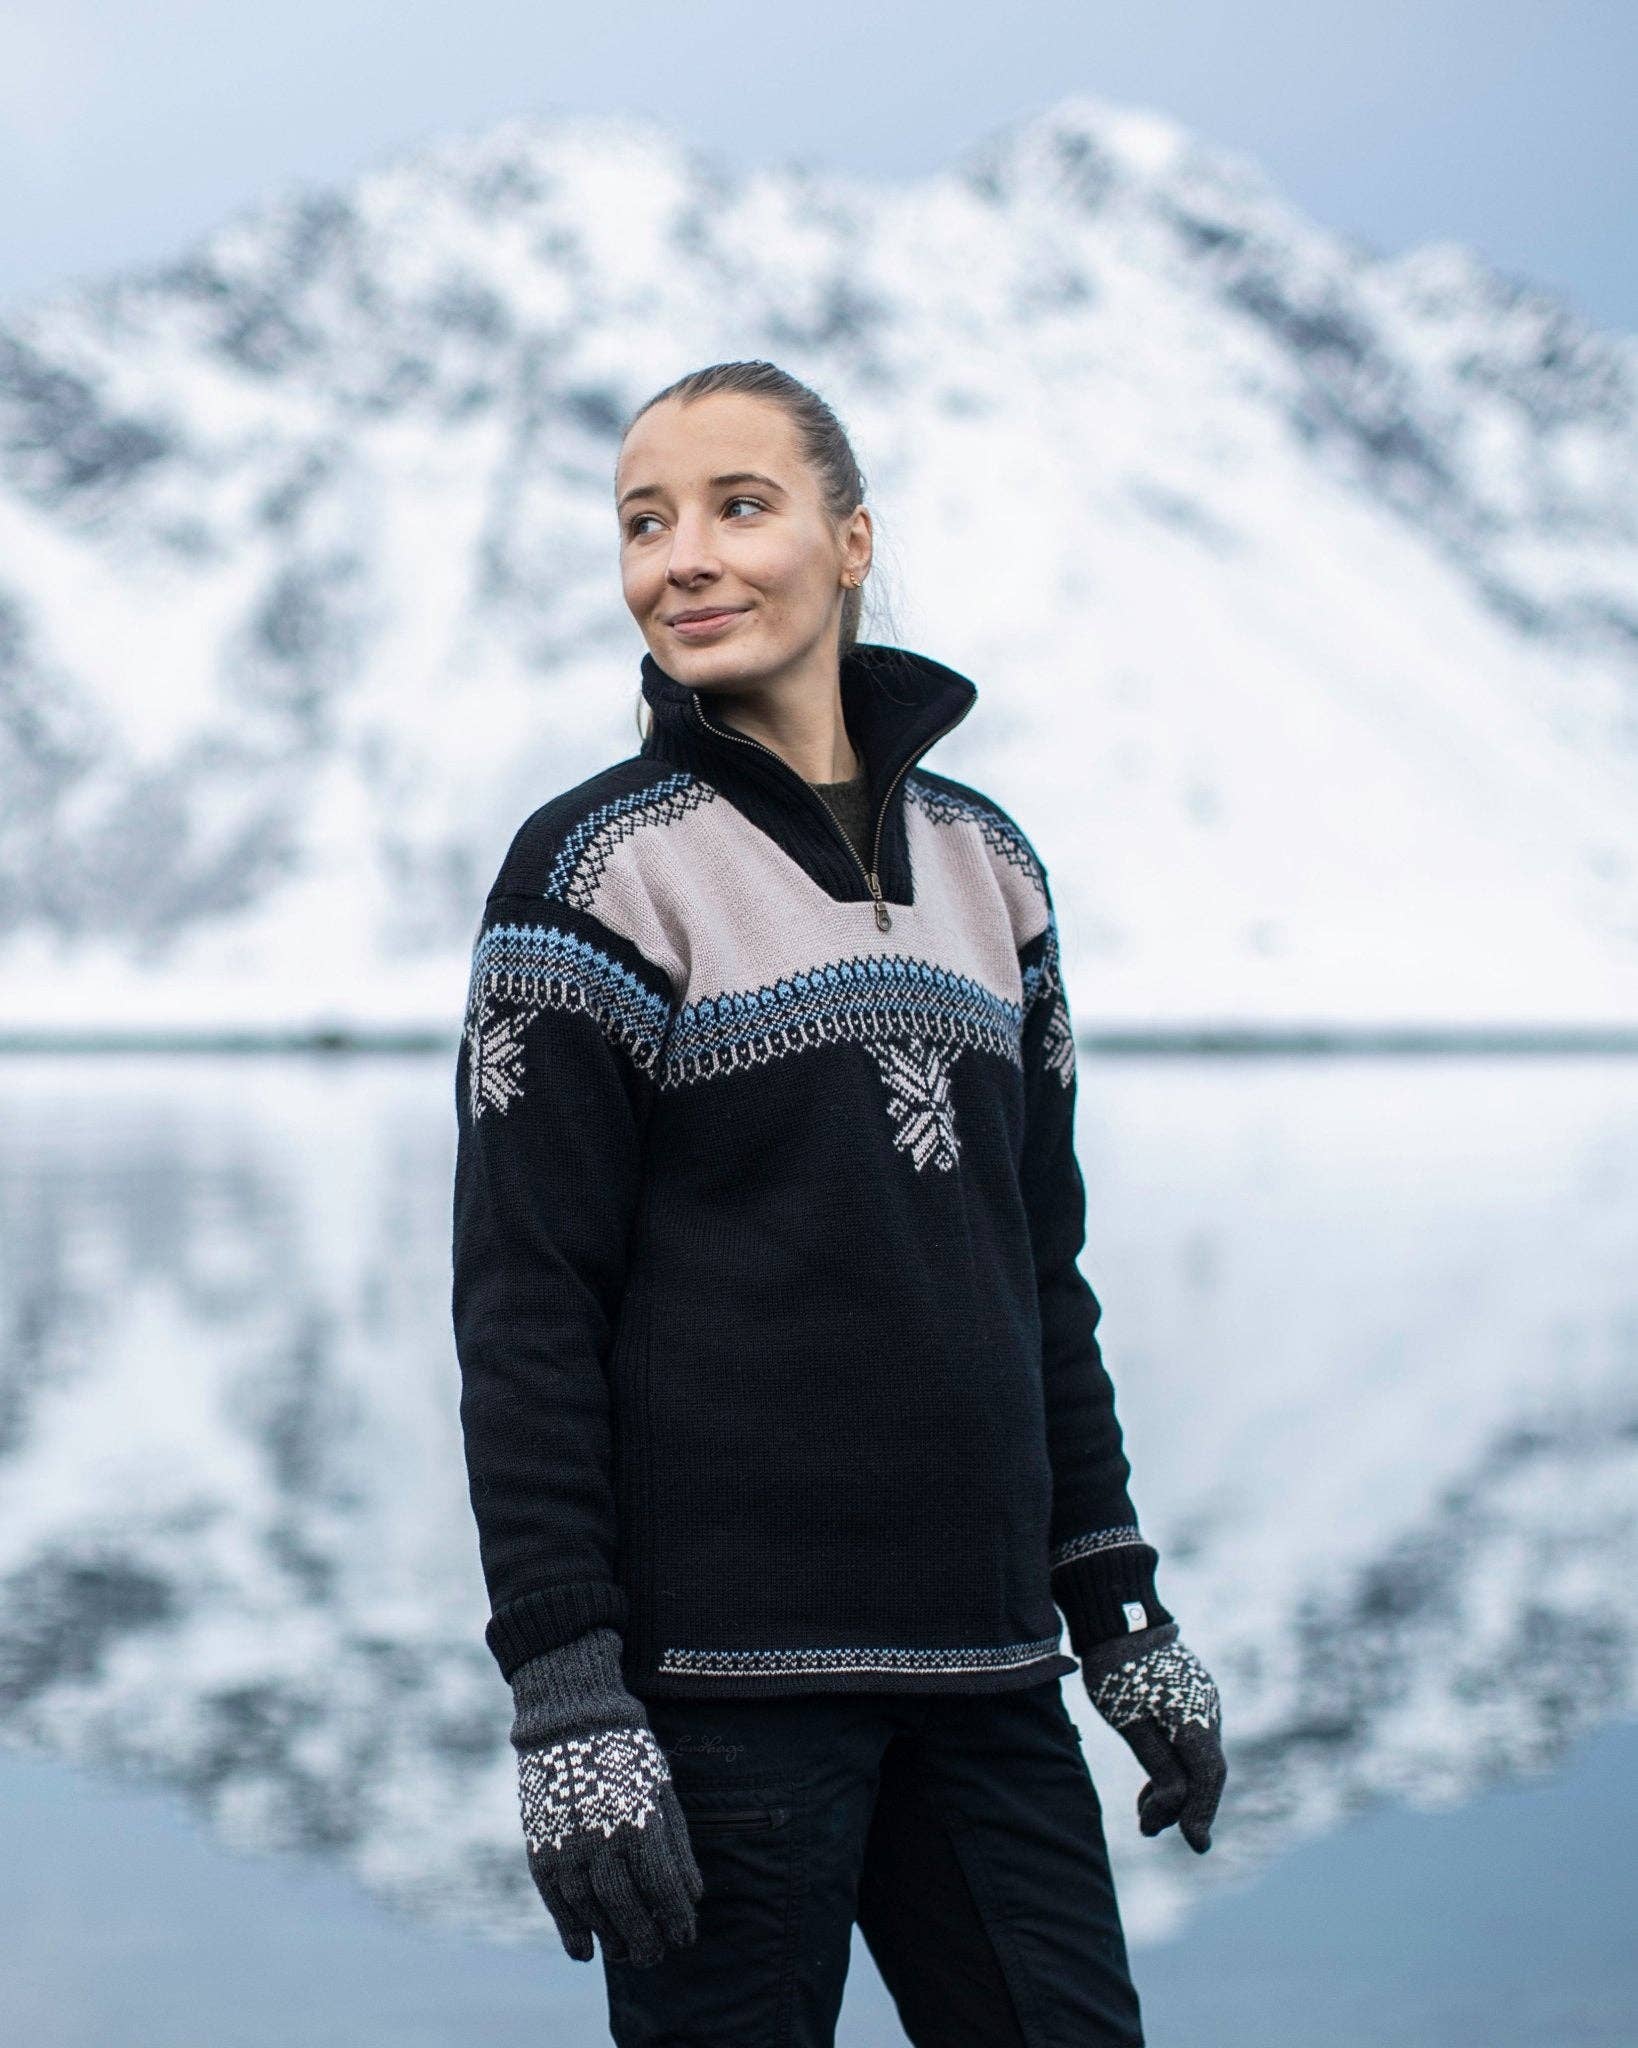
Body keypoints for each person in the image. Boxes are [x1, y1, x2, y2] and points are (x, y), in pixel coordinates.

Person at [450, 359, 1226, 2046]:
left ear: (851, 540)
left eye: (739, 507)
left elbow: (1037, 1278)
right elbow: (526, 1312)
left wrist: (1119, 1612)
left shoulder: (992, 871)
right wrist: (568, 1694)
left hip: (991, 1677)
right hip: (717, 1705)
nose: (682, 558)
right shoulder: (595, 871)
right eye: (643, 523)